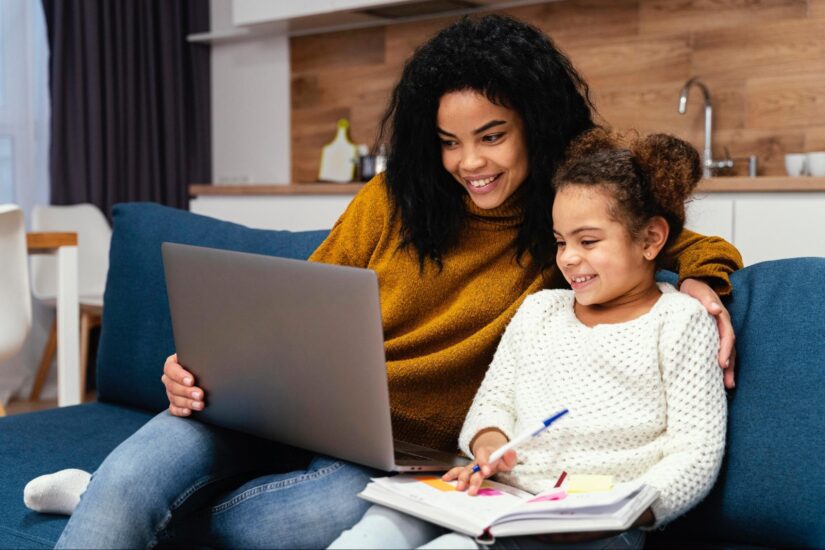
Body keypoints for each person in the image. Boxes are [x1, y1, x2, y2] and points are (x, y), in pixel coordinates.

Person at [26, 15, 741, 549]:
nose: (469, 163)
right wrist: (197, 368)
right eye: (449, 142)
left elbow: (672, 235)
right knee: (132, 478)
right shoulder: (394, 197)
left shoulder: (563, 223)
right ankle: (112, 497)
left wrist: (703, 281)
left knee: (281, 529)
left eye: (492, 135)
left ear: (537, 124)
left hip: (393, 454)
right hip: (277, 407)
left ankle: (106, 502)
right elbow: (289, 308)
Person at [329, 130, 728, 550]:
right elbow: (492, 403)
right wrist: (489, 445)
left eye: (588, 241)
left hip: (599, 522)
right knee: (384, 523)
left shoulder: (679, 320)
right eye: (560, 241)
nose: (568, 257)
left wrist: (623, 510)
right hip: (504, 497)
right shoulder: (541, 310)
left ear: (650, 240)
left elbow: (696, 454)